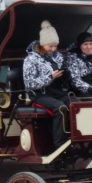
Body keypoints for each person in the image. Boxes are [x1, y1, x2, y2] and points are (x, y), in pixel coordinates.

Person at [23, 20, 76, 148]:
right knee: (60, 108)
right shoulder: (31, 59)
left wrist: (66, 74)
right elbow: (29, 83)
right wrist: (50, 77)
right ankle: (60, 143)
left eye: (55, 46)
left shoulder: (57, 56)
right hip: (39, 94)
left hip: (57, 91)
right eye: (50, 46)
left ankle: (79, 137)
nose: (53, 49)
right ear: (43, 44)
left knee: (77, 104)